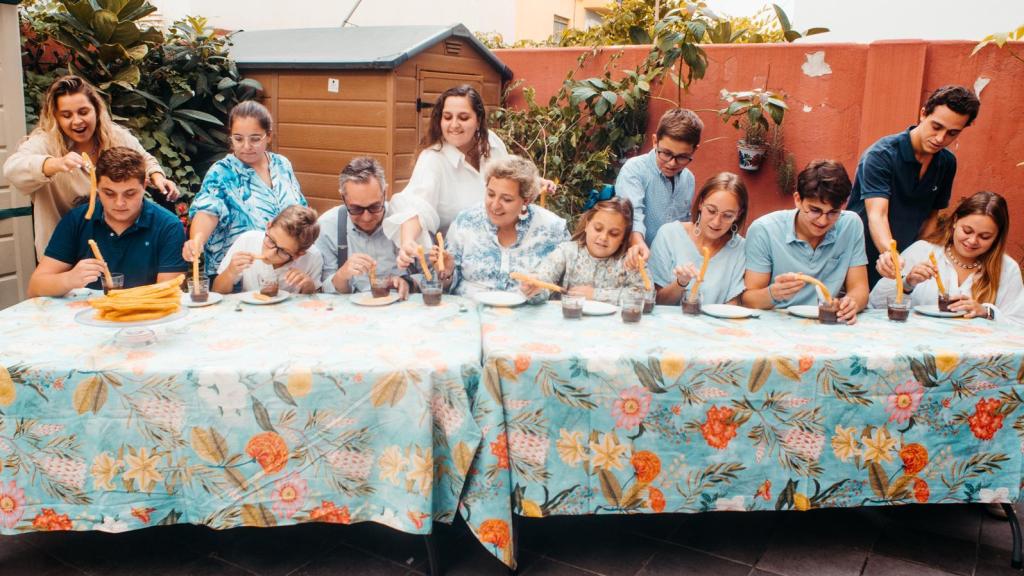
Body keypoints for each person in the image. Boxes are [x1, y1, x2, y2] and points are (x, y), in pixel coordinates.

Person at [4, 75, 179, 259]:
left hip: (113, 250)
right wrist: (55, 164)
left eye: (83, 112)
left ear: (96, 110)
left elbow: (143, 159)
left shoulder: (115, 136)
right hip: (63, 255)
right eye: (66, 115)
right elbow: (13, 168)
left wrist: (157, 176)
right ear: (55, 117)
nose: (77, 121)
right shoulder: (44, 142)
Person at [848, 85, 981, 287]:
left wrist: (919, 257)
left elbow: (931, 217)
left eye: (952, 133)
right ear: (923, 113)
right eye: (936, 127)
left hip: (907, 265)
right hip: (861, 259)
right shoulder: (881, 155)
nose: (940, 138)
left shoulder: (947, 163)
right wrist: (890, 253)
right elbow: (877, 215)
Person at [27, 147, 187, 297]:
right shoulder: (77, 220)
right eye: (109, 193)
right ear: (96, 187)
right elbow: (35, 288)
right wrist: (69, 279)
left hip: (146, 314)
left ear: (144, 186)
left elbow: (167, 295)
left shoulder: (168, 226)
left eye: (130, 193)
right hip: (86, 313)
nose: (120, 203)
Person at [385, 85, 509, 268]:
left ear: (478, 120)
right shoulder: (432, 159)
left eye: (463, 117)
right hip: (457, 263)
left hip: (503, 247)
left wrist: (536, 183)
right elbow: (416, 205)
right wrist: (408, 241)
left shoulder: (492, 143)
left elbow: (510, 178)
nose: (454, 125)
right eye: (448, 117)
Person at [185, 100, 307, 280]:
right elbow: (208, 211)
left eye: (255, 139)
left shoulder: (282, 164)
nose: (246, 146)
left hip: (282, 271)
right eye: (238, 139)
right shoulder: (222, 172)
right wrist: (197, 241)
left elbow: (300, 211)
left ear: (269, 136)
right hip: (235, 275)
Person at [742, 160, 869, 324]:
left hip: (827, 323)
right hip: (774, 324)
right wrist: (773, 293)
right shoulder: (764, 230)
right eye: (815, 210)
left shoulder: (850, 225)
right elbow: (748, 299)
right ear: (797, 199)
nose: (823, 221)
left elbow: (859, 289)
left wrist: (852, 303)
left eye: (833, 212)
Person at [870, 191, 1022, 322]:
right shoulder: (922, 251)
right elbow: (875, 305)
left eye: (985, 236)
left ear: (997, 237)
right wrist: (907, 284)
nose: (972, 241)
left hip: (977, 347)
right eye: (967, 231)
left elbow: (1018, 323)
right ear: (955, 221)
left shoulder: (1007, 269)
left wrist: (986, 312)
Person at [431, 155, 569, 296]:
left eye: (506, 199)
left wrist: (540, 290)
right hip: (468, 307)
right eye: (491, 195)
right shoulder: (465, 222)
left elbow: (570, 286)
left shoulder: (553, 229)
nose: (495, 205)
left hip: (529, 309)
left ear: (526, 200)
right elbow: (445, 286)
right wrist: (446, 273)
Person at [614, 107, 703, 265]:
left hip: (669, 265)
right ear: (655, 141)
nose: (672, 163)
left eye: (682, 157)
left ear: (694, 150)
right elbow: (633, 214)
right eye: (666, 153)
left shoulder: (689, 179)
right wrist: (638, 244)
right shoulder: (634, 170)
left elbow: (683, 224)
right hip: (635, 260)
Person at [314, 157, 410, 298]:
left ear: (385, 193)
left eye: (374, 207)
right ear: (343, 198)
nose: (366, 217)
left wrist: (409, 283)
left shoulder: (406, 221)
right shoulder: (327, 227)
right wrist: (342, 275)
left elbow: (431, 275)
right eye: (356, 209)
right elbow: (324, 290)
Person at [649, 172, 748, 306]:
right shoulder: (669, 234)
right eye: (711, 211)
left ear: (738, 214)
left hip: (716, 320)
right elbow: (656, 302)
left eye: (728, 215)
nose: (716, 222)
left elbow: (733, 304)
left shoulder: (740, 248)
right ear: (701, 203)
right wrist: (680, 283)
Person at [519, 198, 643, 304]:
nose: (603, 237)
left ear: (624, 238)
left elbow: (646, 295)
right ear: (587, 225)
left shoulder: (630, 261)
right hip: (567, 322)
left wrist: (595, 295)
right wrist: (535, 288)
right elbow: (544, 278)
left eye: (614, 233)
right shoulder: (566, 252)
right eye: (598, 228)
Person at [212, 205, 322, 295]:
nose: (270, 254)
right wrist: (230, 272)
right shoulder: (247, 240)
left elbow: (316, 304)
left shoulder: (313, 257)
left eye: (283, 251)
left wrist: (308, 288)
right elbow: (216, 291)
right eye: (271, 240)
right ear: (268, 226)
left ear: (298, 254)